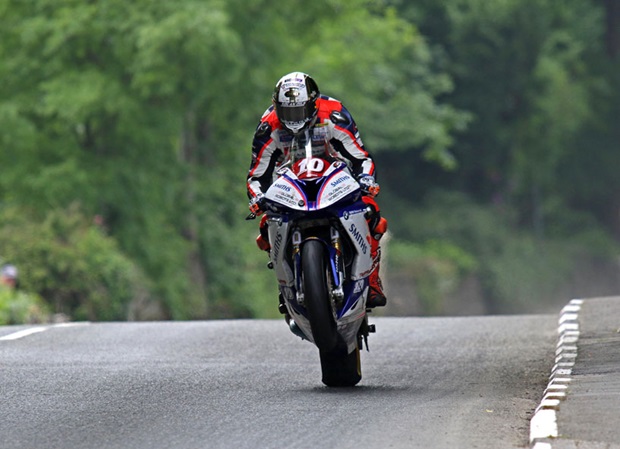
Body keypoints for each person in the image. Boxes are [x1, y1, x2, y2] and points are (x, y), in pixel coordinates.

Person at [246, 71, 388, 308]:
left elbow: (360, 156)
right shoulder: (268, 126)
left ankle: (371, 280)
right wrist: (257, 197)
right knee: (265, 224)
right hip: (291, 185)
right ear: (276, 106)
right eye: (287, 111)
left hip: (334, 179)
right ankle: (286, 285)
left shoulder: (334, 113)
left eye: (299, 110)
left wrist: (366, 179)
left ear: (312, 103)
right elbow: (256, 175)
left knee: (370, 211)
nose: (293, 117)